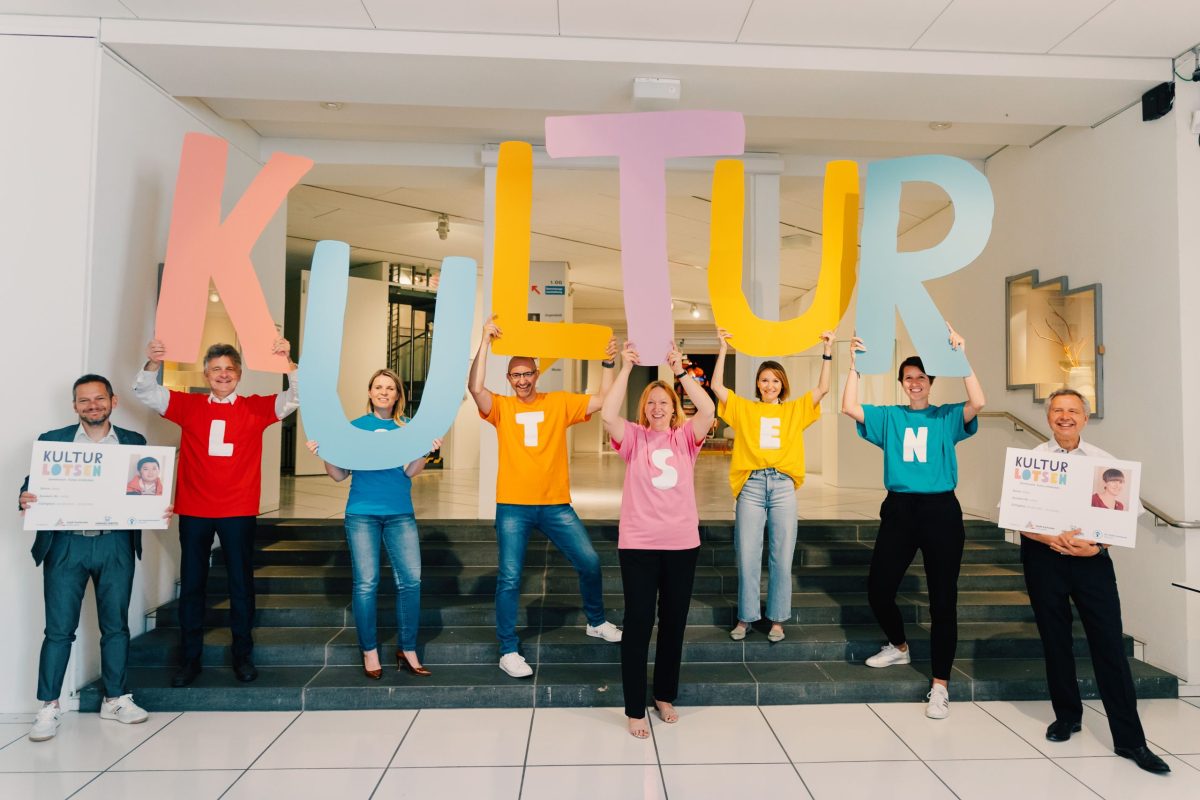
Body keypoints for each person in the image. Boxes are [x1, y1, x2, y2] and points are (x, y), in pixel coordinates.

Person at [1016, 388, 1169, 774]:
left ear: (1084, 418)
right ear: (1048, 416)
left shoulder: (1105, 463)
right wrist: (1051, 538)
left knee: (1109, 646)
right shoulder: (1031, 460)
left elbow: (1125, 514)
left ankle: (1130, 741)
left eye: (1072, 411)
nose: (1064, 416)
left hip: (1092, 562)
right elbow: (1016, 515)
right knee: (1055, 640)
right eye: (1057, 410)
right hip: (1043, 559)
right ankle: (1067, 716)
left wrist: (1095, 546)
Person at [134, 337, 298, 687]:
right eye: (216, 370)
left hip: (238, 509)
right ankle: (189, 661)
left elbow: (297, 397)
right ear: (206, 375)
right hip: (194, 508)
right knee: (193, 585)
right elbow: (146, 392)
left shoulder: (256, 408)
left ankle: (243, 657)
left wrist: (288, 363)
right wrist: (152, 363)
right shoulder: (188, 406)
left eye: (229, 369)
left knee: (241, 585)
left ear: (239, 374)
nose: (223, 375)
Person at [840, 324, 984, 720]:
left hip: (940, 512)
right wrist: (854, 367)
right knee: (878, 587)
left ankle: (940, 686)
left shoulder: (947, 417)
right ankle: (899, 647)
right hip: (900, 509)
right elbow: (849, 407)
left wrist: (961, 357)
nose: (915, 383)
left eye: (921, 377)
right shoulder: (890, 418)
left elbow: (979, 400)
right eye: (908, 378)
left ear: (931, 381)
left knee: (943, 601)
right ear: (902, 383)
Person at [468, 314, 622, 678]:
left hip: (555, 504)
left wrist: (607, 362)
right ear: (508, 379)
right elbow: (475, 389)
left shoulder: (558, 402)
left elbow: (602, 399)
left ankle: (595, 621)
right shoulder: (502, 407)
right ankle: (508, 649)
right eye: (515, 375)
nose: (521, 381)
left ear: (537, 374)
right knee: (509, 577)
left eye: (527, 374)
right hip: (513, 506)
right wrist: (485, 342)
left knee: (589, 563)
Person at [19, 375, 152, 741]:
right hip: (65, 544)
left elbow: (144, 490)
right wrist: (25, 497)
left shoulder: (133, 443)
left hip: (115, 544)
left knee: (115, 626)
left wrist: (156, 506)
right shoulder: (52, 441)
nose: (92, 405)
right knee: (59, 630)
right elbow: (31, 485)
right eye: (84, 401)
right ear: (74, 406)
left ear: (113, 401)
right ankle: (48, 706)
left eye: (99, 398)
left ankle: (115, 698)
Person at [602, 341, 715, 739]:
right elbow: (607, 412)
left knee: (673, 624)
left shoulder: (686, 438)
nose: (656, 408)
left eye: (663, 402)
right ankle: (635, 707)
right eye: (651, 403)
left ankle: (664, 695)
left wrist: (680, 371)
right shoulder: (632, 438)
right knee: (637, 623)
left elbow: (710, 410)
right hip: (638, 545)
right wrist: (627, 368)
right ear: (644, 409)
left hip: (682, 544)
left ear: (673, 406)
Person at [306, 368, 439, 680]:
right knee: (366, 584)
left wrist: (426, 451)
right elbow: (339, 475)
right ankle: (369, 650)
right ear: (370, 392)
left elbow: (409, 473)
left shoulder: (407, 427)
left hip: (400, 512)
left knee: (411, 582)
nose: (383, 392)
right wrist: (324, 453)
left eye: (389, 388)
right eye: (378, 387)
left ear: (397, 395)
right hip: (362, 513)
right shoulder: (354, 428)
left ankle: (407, 648)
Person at [711, 328, 834, 643]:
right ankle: (745, 617)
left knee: (782, 554)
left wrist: (827, 351)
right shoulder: (744, 409)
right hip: (751, 486)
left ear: (783, 385)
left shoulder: (794, 410)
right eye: (764, 379)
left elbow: (823, 388)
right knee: (748, 554)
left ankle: (777, 619)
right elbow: (715, 386)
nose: (769, 385)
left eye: (775, 380)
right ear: (757, 384)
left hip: (782, 488)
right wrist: (723, 347)